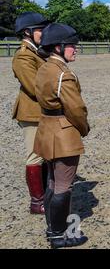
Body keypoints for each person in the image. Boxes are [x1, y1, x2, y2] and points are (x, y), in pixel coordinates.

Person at [34, 23, 90, 248]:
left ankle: (52, 228)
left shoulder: (44, 68)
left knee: (52, 182)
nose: (75, 49)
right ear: (58, 47)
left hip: (46, 129)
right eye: (71, 46)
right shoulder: (63, 74)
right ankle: (59, 235)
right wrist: (84, 128)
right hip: (63, 133)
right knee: (63, 185)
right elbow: (76, 109)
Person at [12, 12, 50, 214]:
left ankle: (45, 194)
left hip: (42, 111)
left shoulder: (38, 52)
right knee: (34, 156)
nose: (44, 33)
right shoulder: (24, 55)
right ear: (28, 32)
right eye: (40, 30)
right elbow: (34, 86)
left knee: (44, 155)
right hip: (32, 112)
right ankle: (37, 201)